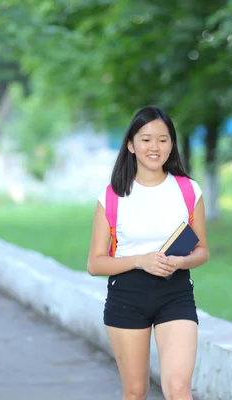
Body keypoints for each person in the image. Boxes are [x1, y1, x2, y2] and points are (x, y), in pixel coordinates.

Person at [87, 105, 210, 400]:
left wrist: (182, 261)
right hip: (127, 295)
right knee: (135, 392)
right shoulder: (113, 195)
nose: (154, 147)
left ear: (172, 145)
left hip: (175, 293)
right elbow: (95, 263)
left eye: (163, 139)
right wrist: (140, 261)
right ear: (131, 144)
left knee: (179, 388)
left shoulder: (188, 190)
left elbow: (202, 250)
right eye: (145, 139)